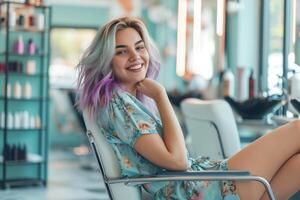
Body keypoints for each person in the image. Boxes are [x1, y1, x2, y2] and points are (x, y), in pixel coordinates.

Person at [76, 16, 300, 200]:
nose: (136, 57)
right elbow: (178, 161)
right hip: (203, 191)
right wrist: (161, 96)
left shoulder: (123, 101)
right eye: (122, 51)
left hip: (203, 183)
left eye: (139, 47)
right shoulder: (120, 105)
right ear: (107, 60)